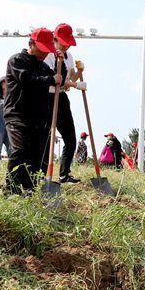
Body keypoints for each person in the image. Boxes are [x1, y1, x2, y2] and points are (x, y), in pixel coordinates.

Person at [4, 28, 62, 194]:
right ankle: (12, 190)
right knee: (21, 150)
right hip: (17, 115)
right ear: (31, 44)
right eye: (42, 49)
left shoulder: (44, 67)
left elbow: (59, 79)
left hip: (38, 118)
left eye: (47, 50)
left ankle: (30, 190)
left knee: (37, 156)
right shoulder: (17, 61)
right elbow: (26, 80)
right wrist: (51, 79)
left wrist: (60, 62)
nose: (45, 53)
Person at [43, 23, 86, 184]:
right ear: (55, 39)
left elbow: (69, 80)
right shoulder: (48, 55)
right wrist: (75, 85)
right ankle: (42, 175)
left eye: (68, 42)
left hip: (61, 98)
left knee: (70, 138)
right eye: (63, 42)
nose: (67, 45)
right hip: (47, 97)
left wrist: (79, 72)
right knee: (46, 138)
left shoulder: (69, 56)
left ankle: (64, 174)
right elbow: (55, 80)